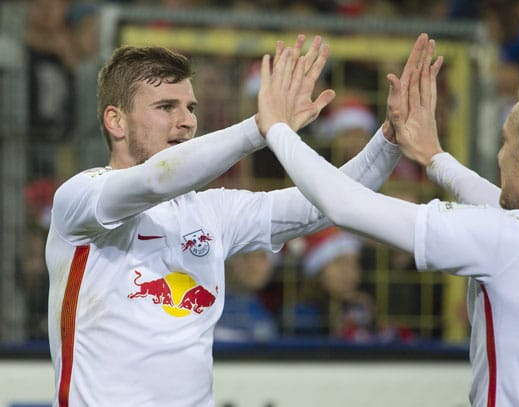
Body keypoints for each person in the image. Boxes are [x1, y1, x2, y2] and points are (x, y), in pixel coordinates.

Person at [258, 33, 519, 406]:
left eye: (506, 142)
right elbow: (515, 219)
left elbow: (345, 205)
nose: (499, 157)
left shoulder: (513, 241)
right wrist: (434, 157)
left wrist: (277, 127)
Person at [45, 34, 432, 405]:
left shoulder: (211, 211)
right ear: (116, 121)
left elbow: (324, 204)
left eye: (190, 108)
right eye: (166, 107)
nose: (186, 122)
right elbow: (155, 178)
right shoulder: (82, 198)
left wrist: (389, 140)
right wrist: (260, 127)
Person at [214, 251, 278, 342]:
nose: (254, 265)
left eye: (262, 258)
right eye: (246, 256)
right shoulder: (210, 305)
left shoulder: (262, 308)